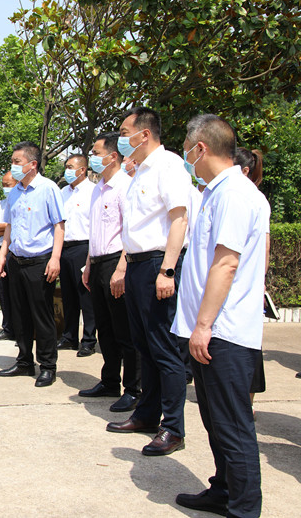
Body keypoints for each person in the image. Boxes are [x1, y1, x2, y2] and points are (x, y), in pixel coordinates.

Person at [172, 114, 267, 517]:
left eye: (187, 149)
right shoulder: (216, 193)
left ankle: (244, 509)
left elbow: (226, 264)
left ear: (201, 148)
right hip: (210, 330)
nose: (186, 157)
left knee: (233, 426)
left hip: (223, 332)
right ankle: (223, 490)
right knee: (216, 421)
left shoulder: (234, 195)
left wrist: (204, 325)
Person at [106, 107, 190, 457]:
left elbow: (179, 219)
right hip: (138, 265)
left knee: (164, 348)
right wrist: (125, 266)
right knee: (144, 346)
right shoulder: (139, 171)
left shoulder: (169, 166)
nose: (121, 139)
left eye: (125, 133)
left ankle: (173, 427)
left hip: (158, 263)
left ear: (144, 134)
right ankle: (146, 414)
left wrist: (167, 270)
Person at [0, 141, 65, 387]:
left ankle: (47, 366)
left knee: (41, 315)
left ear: (32, 164)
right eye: (12, 161)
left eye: (17, 162)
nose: (13, 166)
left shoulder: (49, 189)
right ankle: (24, 361)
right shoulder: (14, 192)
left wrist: (55, 258)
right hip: (16, 260)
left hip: (40, 261)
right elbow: (9, 227)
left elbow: (59, 226)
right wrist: (2, 255)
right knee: (20, 314)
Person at [79, 132, 140, 412]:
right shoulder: (97, 188)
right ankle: (110, 380)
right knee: (104, 328)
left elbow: (130, 231)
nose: (92, 157)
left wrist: (122, 269)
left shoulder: (126, 186)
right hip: (98, 262)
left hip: (118, 261)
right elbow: (95, 231)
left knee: (124, 329)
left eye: (96, 152)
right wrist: (89, 265)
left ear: (113, 156)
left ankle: (134, 389)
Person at [234, 147, 271, 408]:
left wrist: (259, 282)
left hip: (245, 284)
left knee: (247, 347)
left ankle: (247, 401)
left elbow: (264, 246)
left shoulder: (254, 199)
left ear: (245, 171)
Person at [57, 154, 97, 356]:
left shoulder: (93, 191)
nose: (67, 170)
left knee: (85, 296)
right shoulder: (62, 192)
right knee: (68, 295)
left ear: (82, 170)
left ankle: (88, 339)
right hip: (64, 247)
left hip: (84, 247)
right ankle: (69, 336)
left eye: (71, 167)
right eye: (66, 166)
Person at [0, 172, 18, 341]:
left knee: (17, 292)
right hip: (0, 251)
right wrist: (5, 228)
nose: (5, 188)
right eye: (4, 185)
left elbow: (19, 224)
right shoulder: (2, 203)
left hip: (15, 252)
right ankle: (8, 328)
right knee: (3, 291)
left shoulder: (21, 201)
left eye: (8, 184)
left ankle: (21, 329)